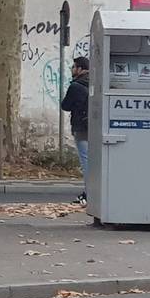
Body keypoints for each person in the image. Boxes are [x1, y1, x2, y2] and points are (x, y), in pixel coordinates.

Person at [62, 56, 91, 205]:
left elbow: (65, 105)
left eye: (73, 67)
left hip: (81, 127)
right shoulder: (97, 82)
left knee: (86, 161)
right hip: (96, 127)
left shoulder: (76, 86)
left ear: (80, 69)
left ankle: (89, 193)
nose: (72, 70)